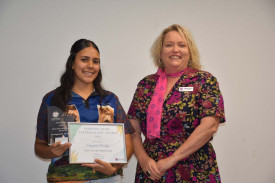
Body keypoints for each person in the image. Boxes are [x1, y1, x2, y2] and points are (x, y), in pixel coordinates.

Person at [127, 24, 226, 182]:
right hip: (152, 170)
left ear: (190, 51)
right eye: (169, 45)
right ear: (160, 51)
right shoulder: (146, 84)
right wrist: (144, 159)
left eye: (181, 45)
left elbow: (210, 126)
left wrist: (173, 158)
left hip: (194, 168)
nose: (175, 49)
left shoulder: (204, 81)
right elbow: (132, 127)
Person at [35, 39, 134, 183]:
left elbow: (128, 144)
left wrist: (114, 168)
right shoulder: (52, 99)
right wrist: (51, 151)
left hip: (108, 178)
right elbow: (39, 146)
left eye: (95, 61)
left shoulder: (110, 99)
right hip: (67, 179)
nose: (90, 66)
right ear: (72, 64)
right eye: (84, 59)